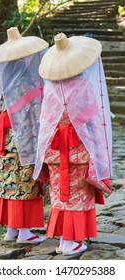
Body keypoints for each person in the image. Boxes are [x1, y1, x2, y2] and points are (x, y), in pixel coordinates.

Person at [33, 33, 113, 255]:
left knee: (60, 194)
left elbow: (46, 121)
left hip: (55, 150)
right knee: (78, 195)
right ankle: (70, 241)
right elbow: (93, 121)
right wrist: (99, 150)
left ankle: (63, 239)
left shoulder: (51, 88)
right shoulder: (83, 86)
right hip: (78, 150)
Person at [0, 27, 49, 243]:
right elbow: (38, 116)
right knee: (25, 182)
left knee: (7, 181)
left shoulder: (3, 88)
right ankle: (25, 231)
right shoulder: (28, 85)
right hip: (24, 142)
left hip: (3, 142)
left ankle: (11, 229)